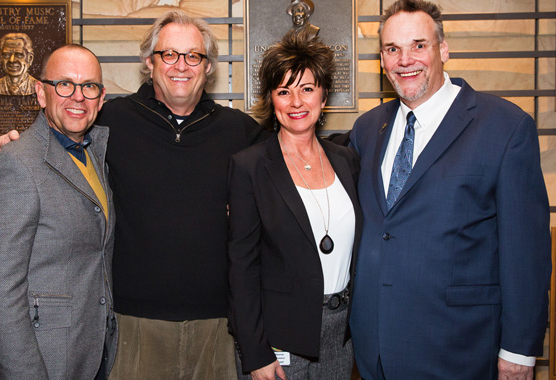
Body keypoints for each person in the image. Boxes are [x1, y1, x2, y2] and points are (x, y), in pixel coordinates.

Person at [0, 9, 266, 380]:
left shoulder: (243, 132)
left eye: (193, 55)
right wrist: (5, 146)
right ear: (149, 63)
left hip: (217, 328)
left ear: (208, 66)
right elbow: (55, 136)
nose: (181, 65)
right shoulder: (108, 123)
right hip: (131, 329)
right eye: (169, 54)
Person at [348, 0, 551, 379]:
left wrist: (520, 349)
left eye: (418, 45)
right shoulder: (366, 129)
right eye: (392, 49)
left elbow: (526, 250)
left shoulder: (505, 127)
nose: (405, 59)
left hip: (460, 348)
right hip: (374, 349)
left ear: (443, 50)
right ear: (382, 59)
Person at [228, 29, 362, 380]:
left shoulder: (346, 160)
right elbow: (241, 268)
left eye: (307, 89)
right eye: (283, 91)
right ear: (272, 99)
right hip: (279, 339)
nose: (296, 102)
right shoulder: (250, 166)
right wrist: (255, 353)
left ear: (324, 95)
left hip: (342, 334)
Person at [0, 44, 116, 380]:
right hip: (42, 359)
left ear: (101, 99)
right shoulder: (15, 164)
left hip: (91, 353)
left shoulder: (96, 154)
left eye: (89, 86)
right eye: (64, 84)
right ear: (40, 93)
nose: (78, 96)